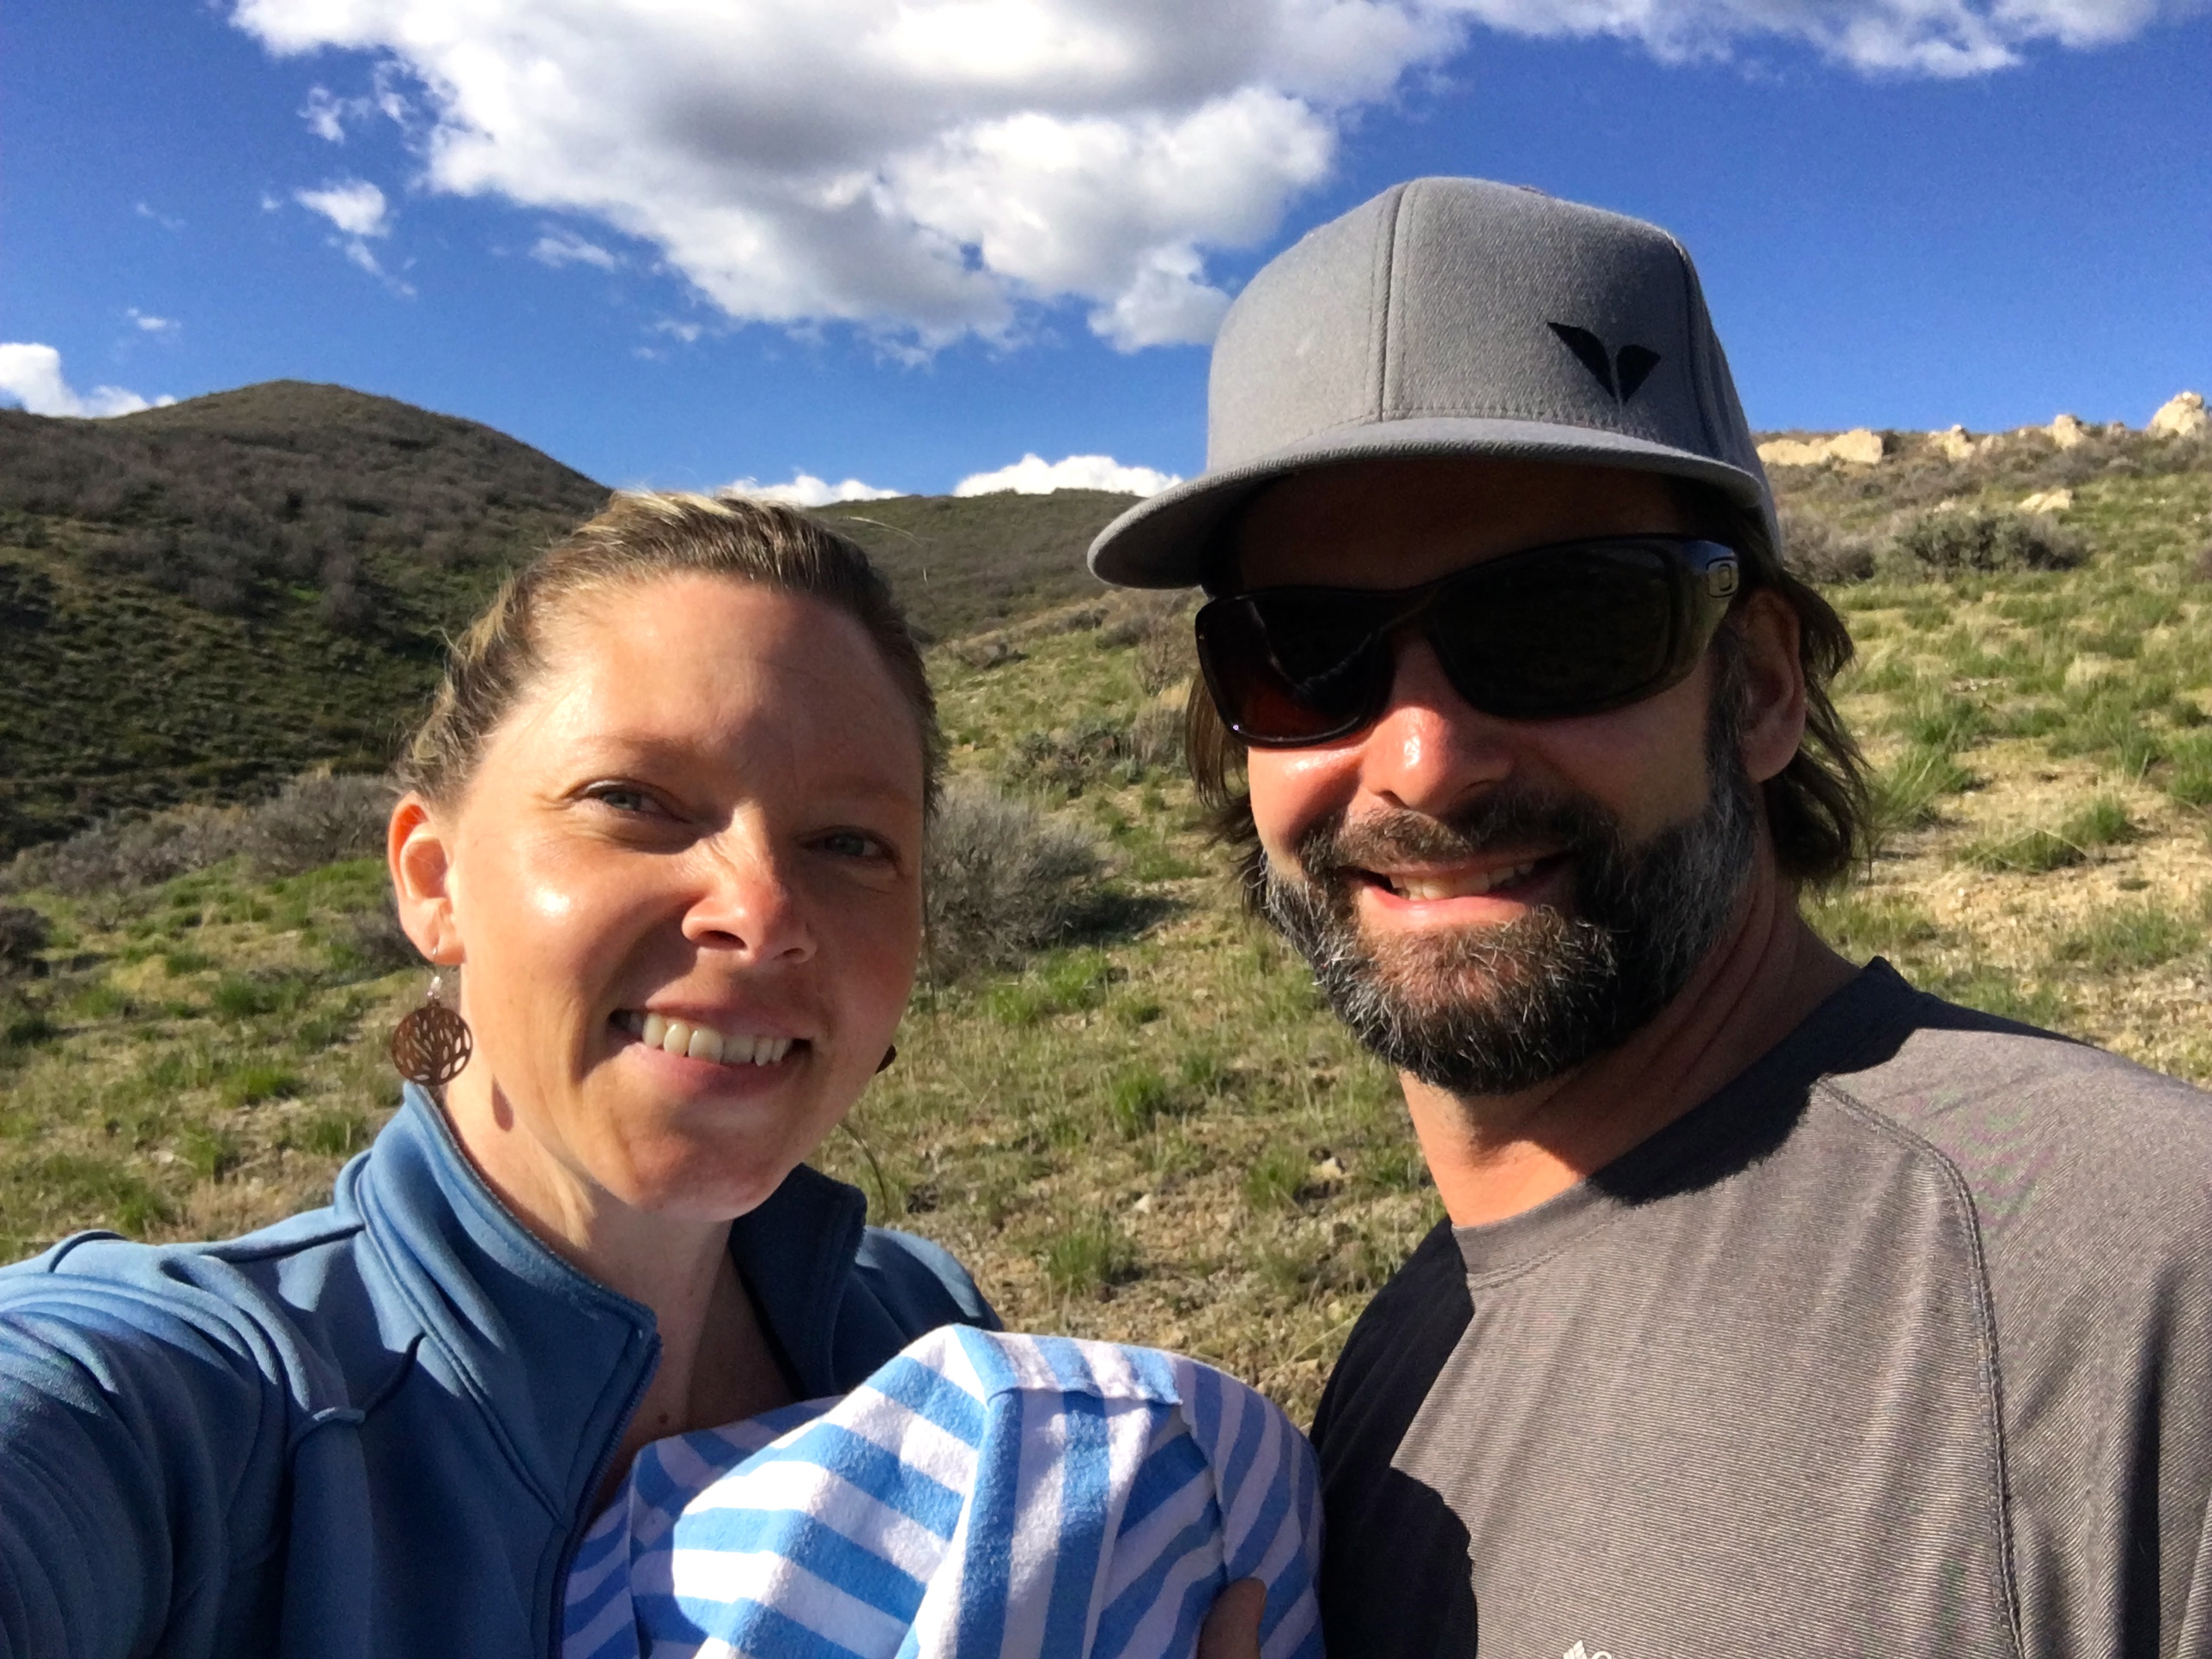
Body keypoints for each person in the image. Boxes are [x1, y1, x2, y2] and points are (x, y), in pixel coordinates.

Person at [1085, 175, 2212, 1657]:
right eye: (1304, 654)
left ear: (1759, 688)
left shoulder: (2145, 1290)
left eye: (1562, 624)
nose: (1422, 758)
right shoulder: (1408, 1347)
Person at [0, 494, 1303, 1659]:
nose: (761, 912)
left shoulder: (918, 1332)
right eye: (634, 801)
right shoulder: (192, 1412)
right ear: (433, 881)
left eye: (849, 841)